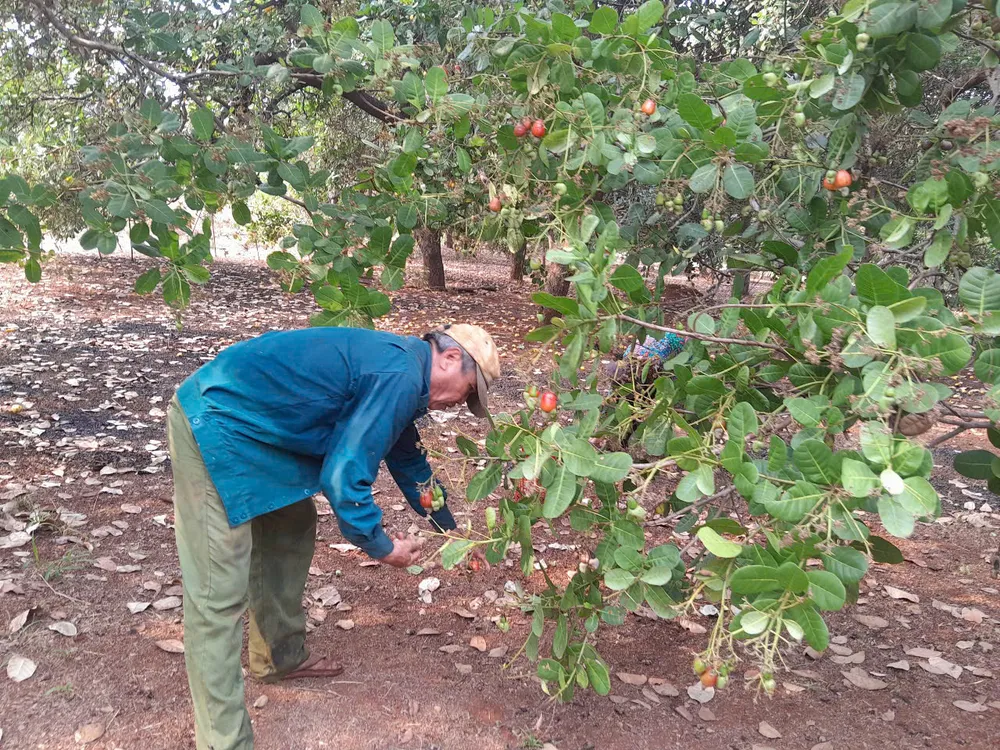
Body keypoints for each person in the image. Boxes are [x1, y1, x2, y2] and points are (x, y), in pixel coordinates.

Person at [165, 323, 499, 750]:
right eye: (467, 391)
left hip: (262, 431)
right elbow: (344, 476)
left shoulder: (404, 372)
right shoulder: (399, 374)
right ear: (450, 358)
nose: (458, 403)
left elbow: (407, 460)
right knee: (217, 592)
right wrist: (381, 546)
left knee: (290, 529)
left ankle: (278, 658)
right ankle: (223, 740)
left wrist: (452, 532)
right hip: (214, 421)